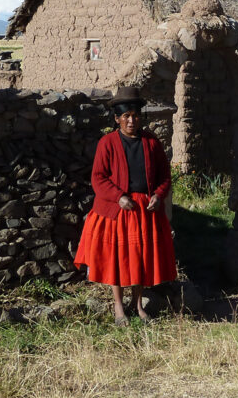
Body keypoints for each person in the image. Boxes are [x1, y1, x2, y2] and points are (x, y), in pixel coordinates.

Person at [74, 86, 177, 324]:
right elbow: (98, 177)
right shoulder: (107, 143)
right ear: (117, 119)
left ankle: (138, 305)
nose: (132, 121)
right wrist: (119, 196)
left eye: (135, 115)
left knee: (140, 260)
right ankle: (118, 307)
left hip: (144, 211)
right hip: (120, 210)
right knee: (117, 260)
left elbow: (164, 176)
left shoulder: (151, 143)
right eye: (126, 116)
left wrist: (159, 196)